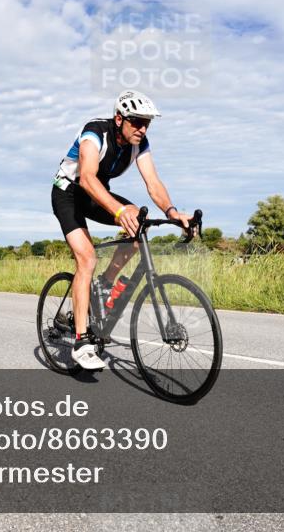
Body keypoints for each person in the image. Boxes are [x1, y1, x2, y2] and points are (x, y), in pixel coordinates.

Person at [51, 90, 192, 370]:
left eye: (147, 123)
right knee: (87, 259)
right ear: (119, 119)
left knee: (139, 226)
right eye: (137, 122)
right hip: (69, 193)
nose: (142, 128)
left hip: (96, 194)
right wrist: (118, 210)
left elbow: (153, 182)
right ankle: (81, 340)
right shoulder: (95, 133)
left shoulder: (140, 143)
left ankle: (104, 284)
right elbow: (88, 178)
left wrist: (173, 213)